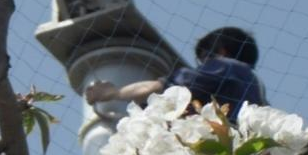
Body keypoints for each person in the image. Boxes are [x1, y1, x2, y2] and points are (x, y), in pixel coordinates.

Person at [84, 26, 267, 120]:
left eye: (204, 56)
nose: (204, 62)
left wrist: (113, 93)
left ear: (221, 50)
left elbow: (162, 89)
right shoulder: (255, 87)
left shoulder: (223, 66)